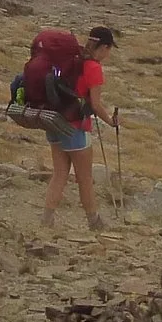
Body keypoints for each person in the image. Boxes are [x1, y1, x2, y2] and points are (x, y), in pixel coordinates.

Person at [40, 25, 122, 231]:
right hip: (76, 126)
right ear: (103, 47)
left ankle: (46, 220)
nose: (108, 53)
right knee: (84, 177)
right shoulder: (93, 67)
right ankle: (94, 221)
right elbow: (95, 104)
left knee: (59, 173)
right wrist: (111, 122)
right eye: (109, 49)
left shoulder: (73, 60)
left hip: (54, 121)